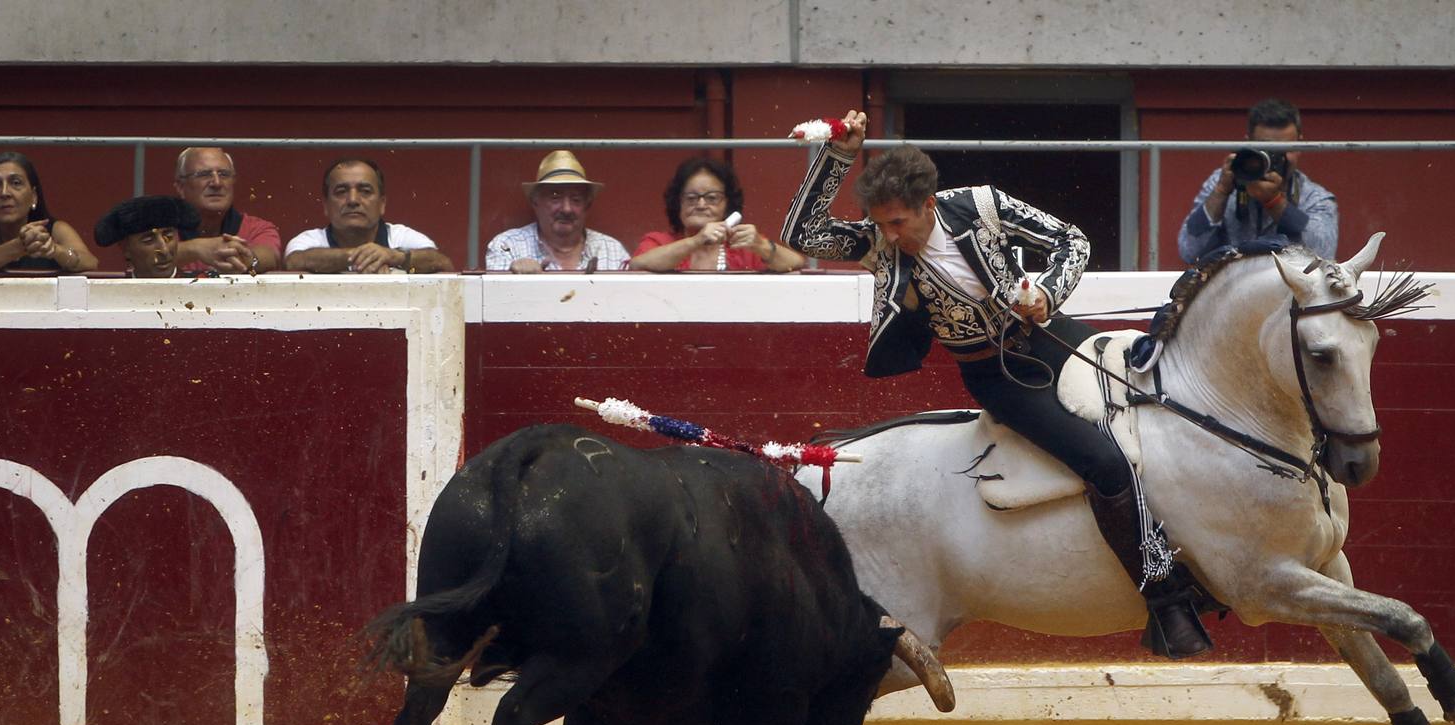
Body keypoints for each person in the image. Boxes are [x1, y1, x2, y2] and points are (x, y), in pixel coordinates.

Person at [782, 110, 1212, 659]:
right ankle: (1167, 599)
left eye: (898, 223)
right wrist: (839, 156)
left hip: (1053, 336)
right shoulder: (878, 245)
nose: (889, 236)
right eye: (881, 223)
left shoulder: (981, 205)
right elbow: (801, 233)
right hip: (997, 375)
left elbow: (1071, 241)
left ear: (928, 206)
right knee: (1103, 464)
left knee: (1162, 408)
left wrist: (1048, 293)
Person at [1177, 98, 1338, 264]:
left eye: (1283, 149)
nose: (1275, 158)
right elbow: (1189, 250)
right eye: (1266, 149)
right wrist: (1221, 191)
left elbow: (1323, 254)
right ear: (1248, 143)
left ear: (1300, 146)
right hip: (1230, 285)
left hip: (1287, 287)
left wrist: (1275, 202)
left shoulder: (1314, 197)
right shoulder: (1224, 180)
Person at [630, 156, 805, 272]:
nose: (701, 204)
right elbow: (637, 264)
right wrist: (696, 241)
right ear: (678, 203)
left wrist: (760, 245)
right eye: (691, 198)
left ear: (727, 204)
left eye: (712, 198)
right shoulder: (658, 241)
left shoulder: (742, 245)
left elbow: (796, 264)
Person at [284, 159, 453, 274]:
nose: (353, 200)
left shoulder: (402, 237)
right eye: (341, 192)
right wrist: (366, 257)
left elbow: (441, 262)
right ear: (326, 205)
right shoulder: (308, 241)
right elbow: (294, 261)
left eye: (365, 191)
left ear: (382, 204)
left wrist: (394, 256)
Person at [485, 150, 629, 273]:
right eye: (555, 197)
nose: (566, 209)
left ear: (587, 205)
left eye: (576, 199)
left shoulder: (612, 249)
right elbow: (494, 300)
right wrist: (516, 279)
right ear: (535, 201)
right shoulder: (508, 247)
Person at [0, 151, 97, 274]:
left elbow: (89, 262)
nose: (4, 193)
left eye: (16, 183)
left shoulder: (55, 230)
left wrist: (55, 250)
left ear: (34, 196)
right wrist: (19, 246)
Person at [173, 147, 282, 275]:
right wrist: (196, 248)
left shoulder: (257, 228)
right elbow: (147, 256)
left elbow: (270, 257)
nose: (217, 183)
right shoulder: (162, 230)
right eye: (204, 174)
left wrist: (248, 260)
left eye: (224, 174)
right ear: (181, 187)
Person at [92, 195, 198, 278]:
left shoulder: (204, 286)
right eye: (148, 240)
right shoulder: (112, 298)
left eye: (168, 237)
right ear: (125, 249)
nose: (164, 250)